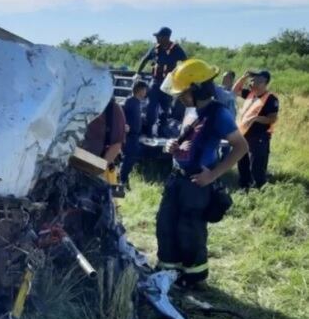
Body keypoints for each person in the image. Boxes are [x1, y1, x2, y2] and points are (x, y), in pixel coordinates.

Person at [155, 59, 248, 287]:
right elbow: (188, 138)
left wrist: (213, 175)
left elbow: (241, 147)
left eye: (184, 92)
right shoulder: (191, 110)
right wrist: (171, 146)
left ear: (197, 89)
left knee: (190, 231)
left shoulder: (219, 114)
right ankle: (168, 270)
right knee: (166, 223)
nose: (180, 97)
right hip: (176, 178)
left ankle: (193, 278)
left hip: (197, 183)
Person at [135, 27, 187, 137]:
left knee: (165, 108)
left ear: (166, 37)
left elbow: (186, 62)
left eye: (159, 36)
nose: (157, 39)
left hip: (168, 83)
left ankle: (162, 131)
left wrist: (181, 77)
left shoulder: (176, 49)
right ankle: (148, 131)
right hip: (155, 81)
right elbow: (145, 59)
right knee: (151, 106)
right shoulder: (155, 48)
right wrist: (138, 73)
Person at [233, 69, 279, 189]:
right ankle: (244, 187)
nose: (252, 83)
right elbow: (234, 90)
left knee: (256, 166)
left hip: (259, 137)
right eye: (252, 80)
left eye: (257, 80)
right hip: (244, 135)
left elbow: (272, 119)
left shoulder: (271, 99)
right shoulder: (250, 94)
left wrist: (255, 118)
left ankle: (259, 190)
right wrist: (243, 77)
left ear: (264, 83)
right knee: (242, 163)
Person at [120, 80, 148, 187]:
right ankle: (122, 181)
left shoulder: (137, 102)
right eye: (145, 90)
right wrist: (125, 125)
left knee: (132, 157)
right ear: (140, 90)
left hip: (135, 136)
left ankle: (124, 180)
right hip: (129, 136)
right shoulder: (130, 102)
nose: (145, 92)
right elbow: (122, 115)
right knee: (129, 158)